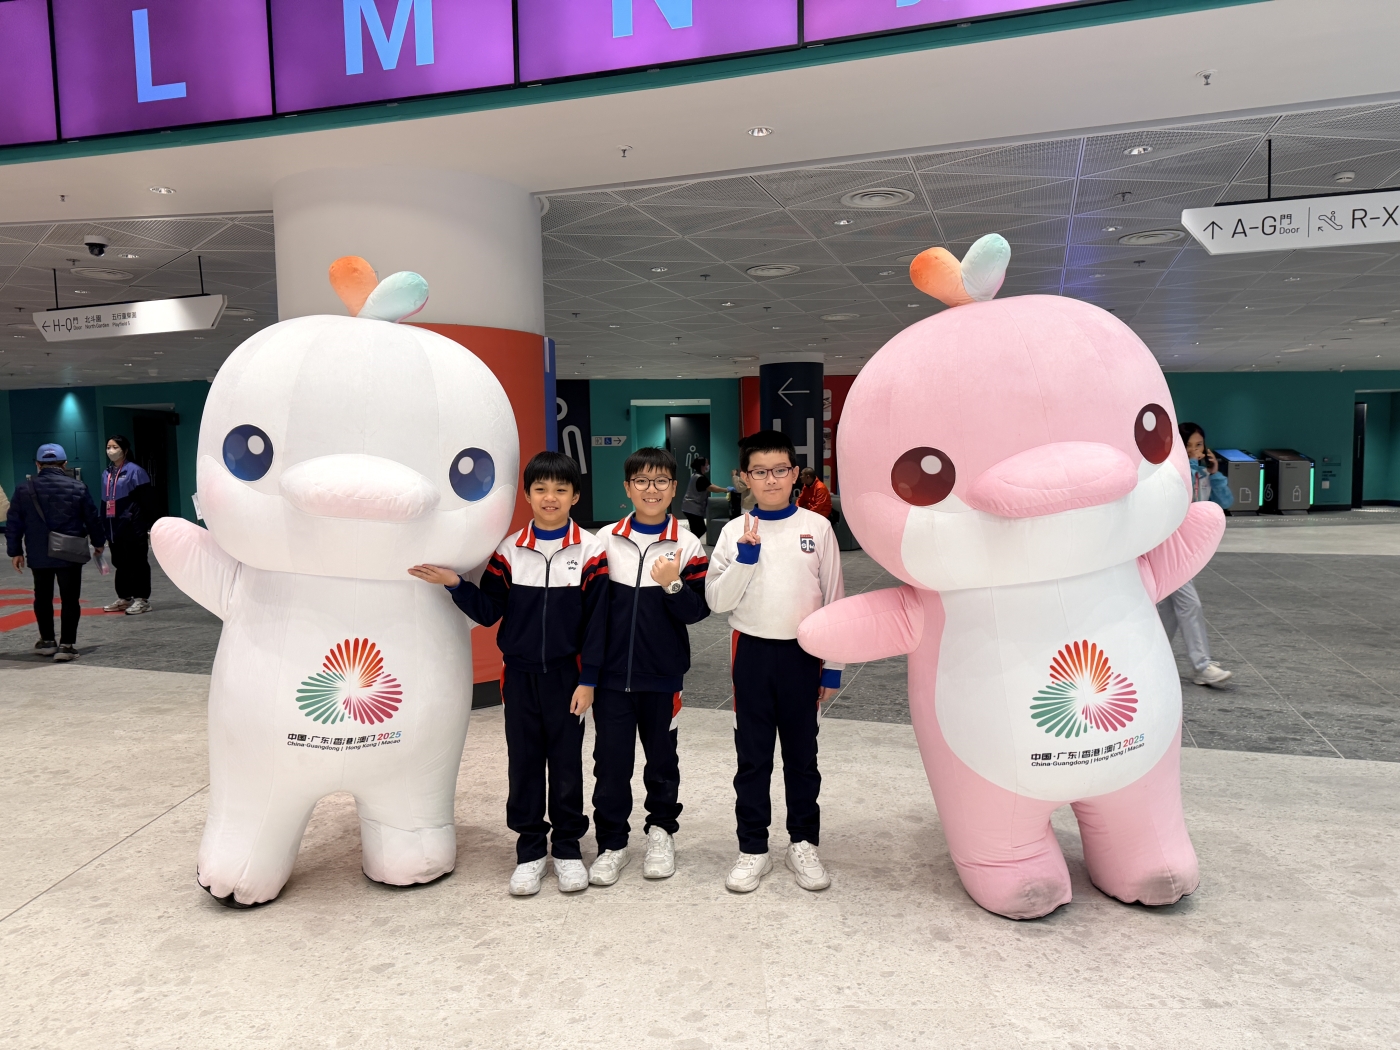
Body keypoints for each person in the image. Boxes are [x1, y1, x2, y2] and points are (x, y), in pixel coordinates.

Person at [408, 452, 609, 897]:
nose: (550, 498)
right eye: (541, 489)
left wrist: (589, 680)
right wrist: (455, 584)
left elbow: (598, 624)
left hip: (568, 678)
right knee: (524, 763)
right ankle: (530, 850)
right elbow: (488, 612)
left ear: (575, 496)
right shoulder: (510, 550)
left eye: (560, 489)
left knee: (566, 764)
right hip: (518, 677)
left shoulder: (591, 551)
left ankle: (568, 849)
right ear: (527, 495)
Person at [705, 430, 845, 894]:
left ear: (795, 474)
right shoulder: (734, 531)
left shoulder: (817, 527)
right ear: (745, 477)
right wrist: (746, 558)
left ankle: (803, 842)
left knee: (802, 758)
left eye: (780, 470)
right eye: (760, 471)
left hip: (804, 656)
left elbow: (834, 600)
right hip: (752, 654)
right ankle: (753, 848)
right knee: (753, 758)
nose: (771, 480)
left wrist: (833, 666)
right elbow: (717, 601)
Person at [589, 447, 710, 887]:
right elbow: (591, 609)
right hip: (611, 679)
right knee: (610, 763)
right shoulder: (606, 540)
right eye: (641, 481)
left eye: (661, 481)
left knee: (662, 761)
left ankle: (661, 832)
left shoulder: (687, 543)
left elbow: (697, 611)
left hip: (662, 676)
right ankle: (612, 843)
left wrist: (671, 584)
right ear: (627, 488)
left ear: (674, 488)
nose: (651, 489)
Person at [6, 443, 105, 662]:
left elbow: (14, 523)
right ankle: (66, 645)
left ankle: (47, 641)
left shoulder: (24, 489)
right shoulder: (78, 487)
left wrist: (15, 551)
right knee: (70, 598)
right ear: (65, 464)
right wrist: (99, 542)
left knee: (42, 597)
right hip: (69, 552)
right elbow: (92, 517)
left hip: (38, 551)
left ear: (38, 464)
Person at [1158, 422, 1233, 687]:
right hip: (1170, 548)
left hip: (1188, 548)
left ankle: (1155, 659)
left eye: (1198, 445)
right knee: (1190, 604)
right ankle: (1201, 665)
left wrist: (1215, 473)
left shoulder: (1203, 473)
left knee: (1169, 608)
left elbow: (1224, 503)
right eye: (1188, 446)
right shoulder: (1172, 472)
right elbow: (1182, 497)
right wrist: (1190, 465)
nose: (1194, 450)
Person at [99, 435, 155, 614]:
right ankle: (125, 597)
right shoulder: (106, 473)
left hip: (133, 525)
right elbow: (104, 501)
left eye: (115, 447)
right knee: (120, 563)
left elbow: (146, 500)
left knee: (138, 562)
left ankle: (142, 599)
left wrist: (144, 524)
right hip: (113, 526)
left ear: (125, 450)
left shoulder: (136, 471)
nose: (111, 450)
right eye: (108, 447)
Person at [680, 457, 727, 540]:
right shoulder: (700, 478)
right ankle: (687, 543)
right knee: (700, 530)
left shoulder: (696, 475)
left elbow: (710, 485)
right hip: (692, 508)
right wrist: (725, 490)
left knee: (697, 530)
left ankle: (690, 544)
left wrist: (724, 489)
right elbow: (712, 488)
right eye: (707, 463)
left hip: (689, 507)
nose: (708, 465)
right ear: (702, 466)